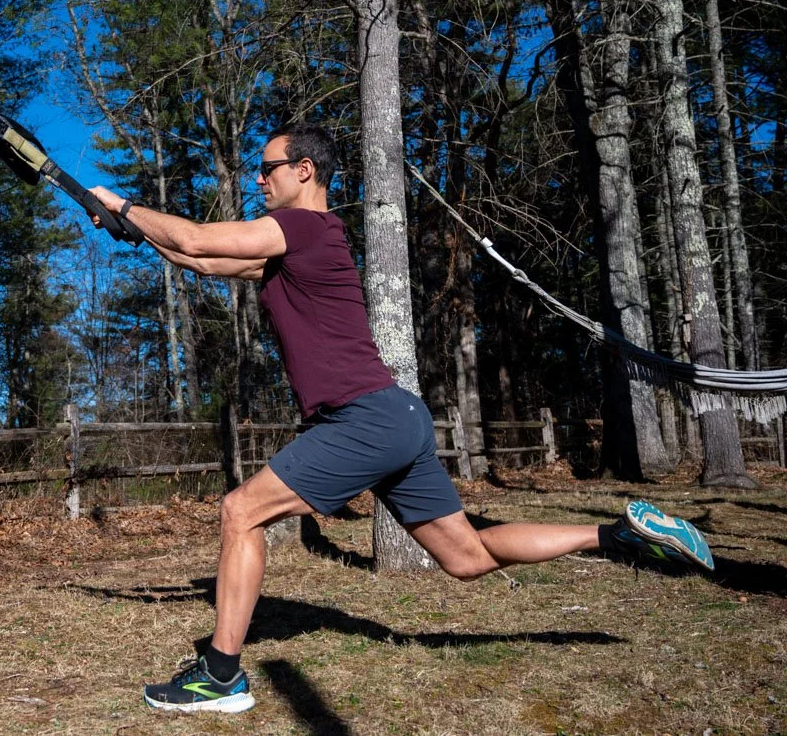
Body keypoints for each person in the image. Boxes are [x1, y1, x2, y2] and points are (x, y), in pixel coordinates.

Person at [88, 122, 715, 715]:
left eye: (267, 170)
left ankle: (220, 676)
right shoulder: (294, 248)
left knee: (240, 511)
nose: (259, 180)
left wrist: (124, 206)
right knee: (465, 558)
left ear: (304, 170)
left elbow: (196, 237)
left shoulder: (301, 227)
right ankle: (619, 536)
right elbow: (198, 261)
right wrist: (131, 229)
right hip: (398, 417)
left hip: (362, 419)